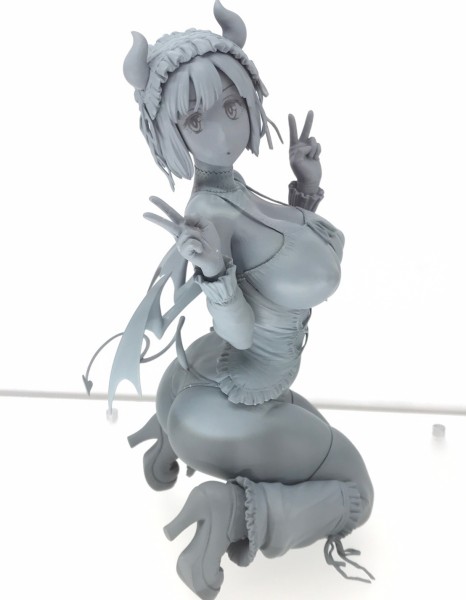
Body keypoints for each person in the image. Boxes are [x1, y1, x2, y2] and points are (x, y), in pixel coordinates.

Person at [114, 2, 374, 598]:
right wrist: (213, 273)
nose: (224, 132)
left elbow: (272, 258)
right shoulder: (211, 210)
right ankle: (227, 513)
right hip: (236, 381)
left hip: (220, 379)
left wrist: (305, 189)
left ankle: (168, 443)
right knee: (356, 491)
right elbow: (237, 329)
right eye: (196, 120)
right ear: (169, 133)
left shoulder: (228, 185)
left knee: (318, 433)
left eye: (232, 107)